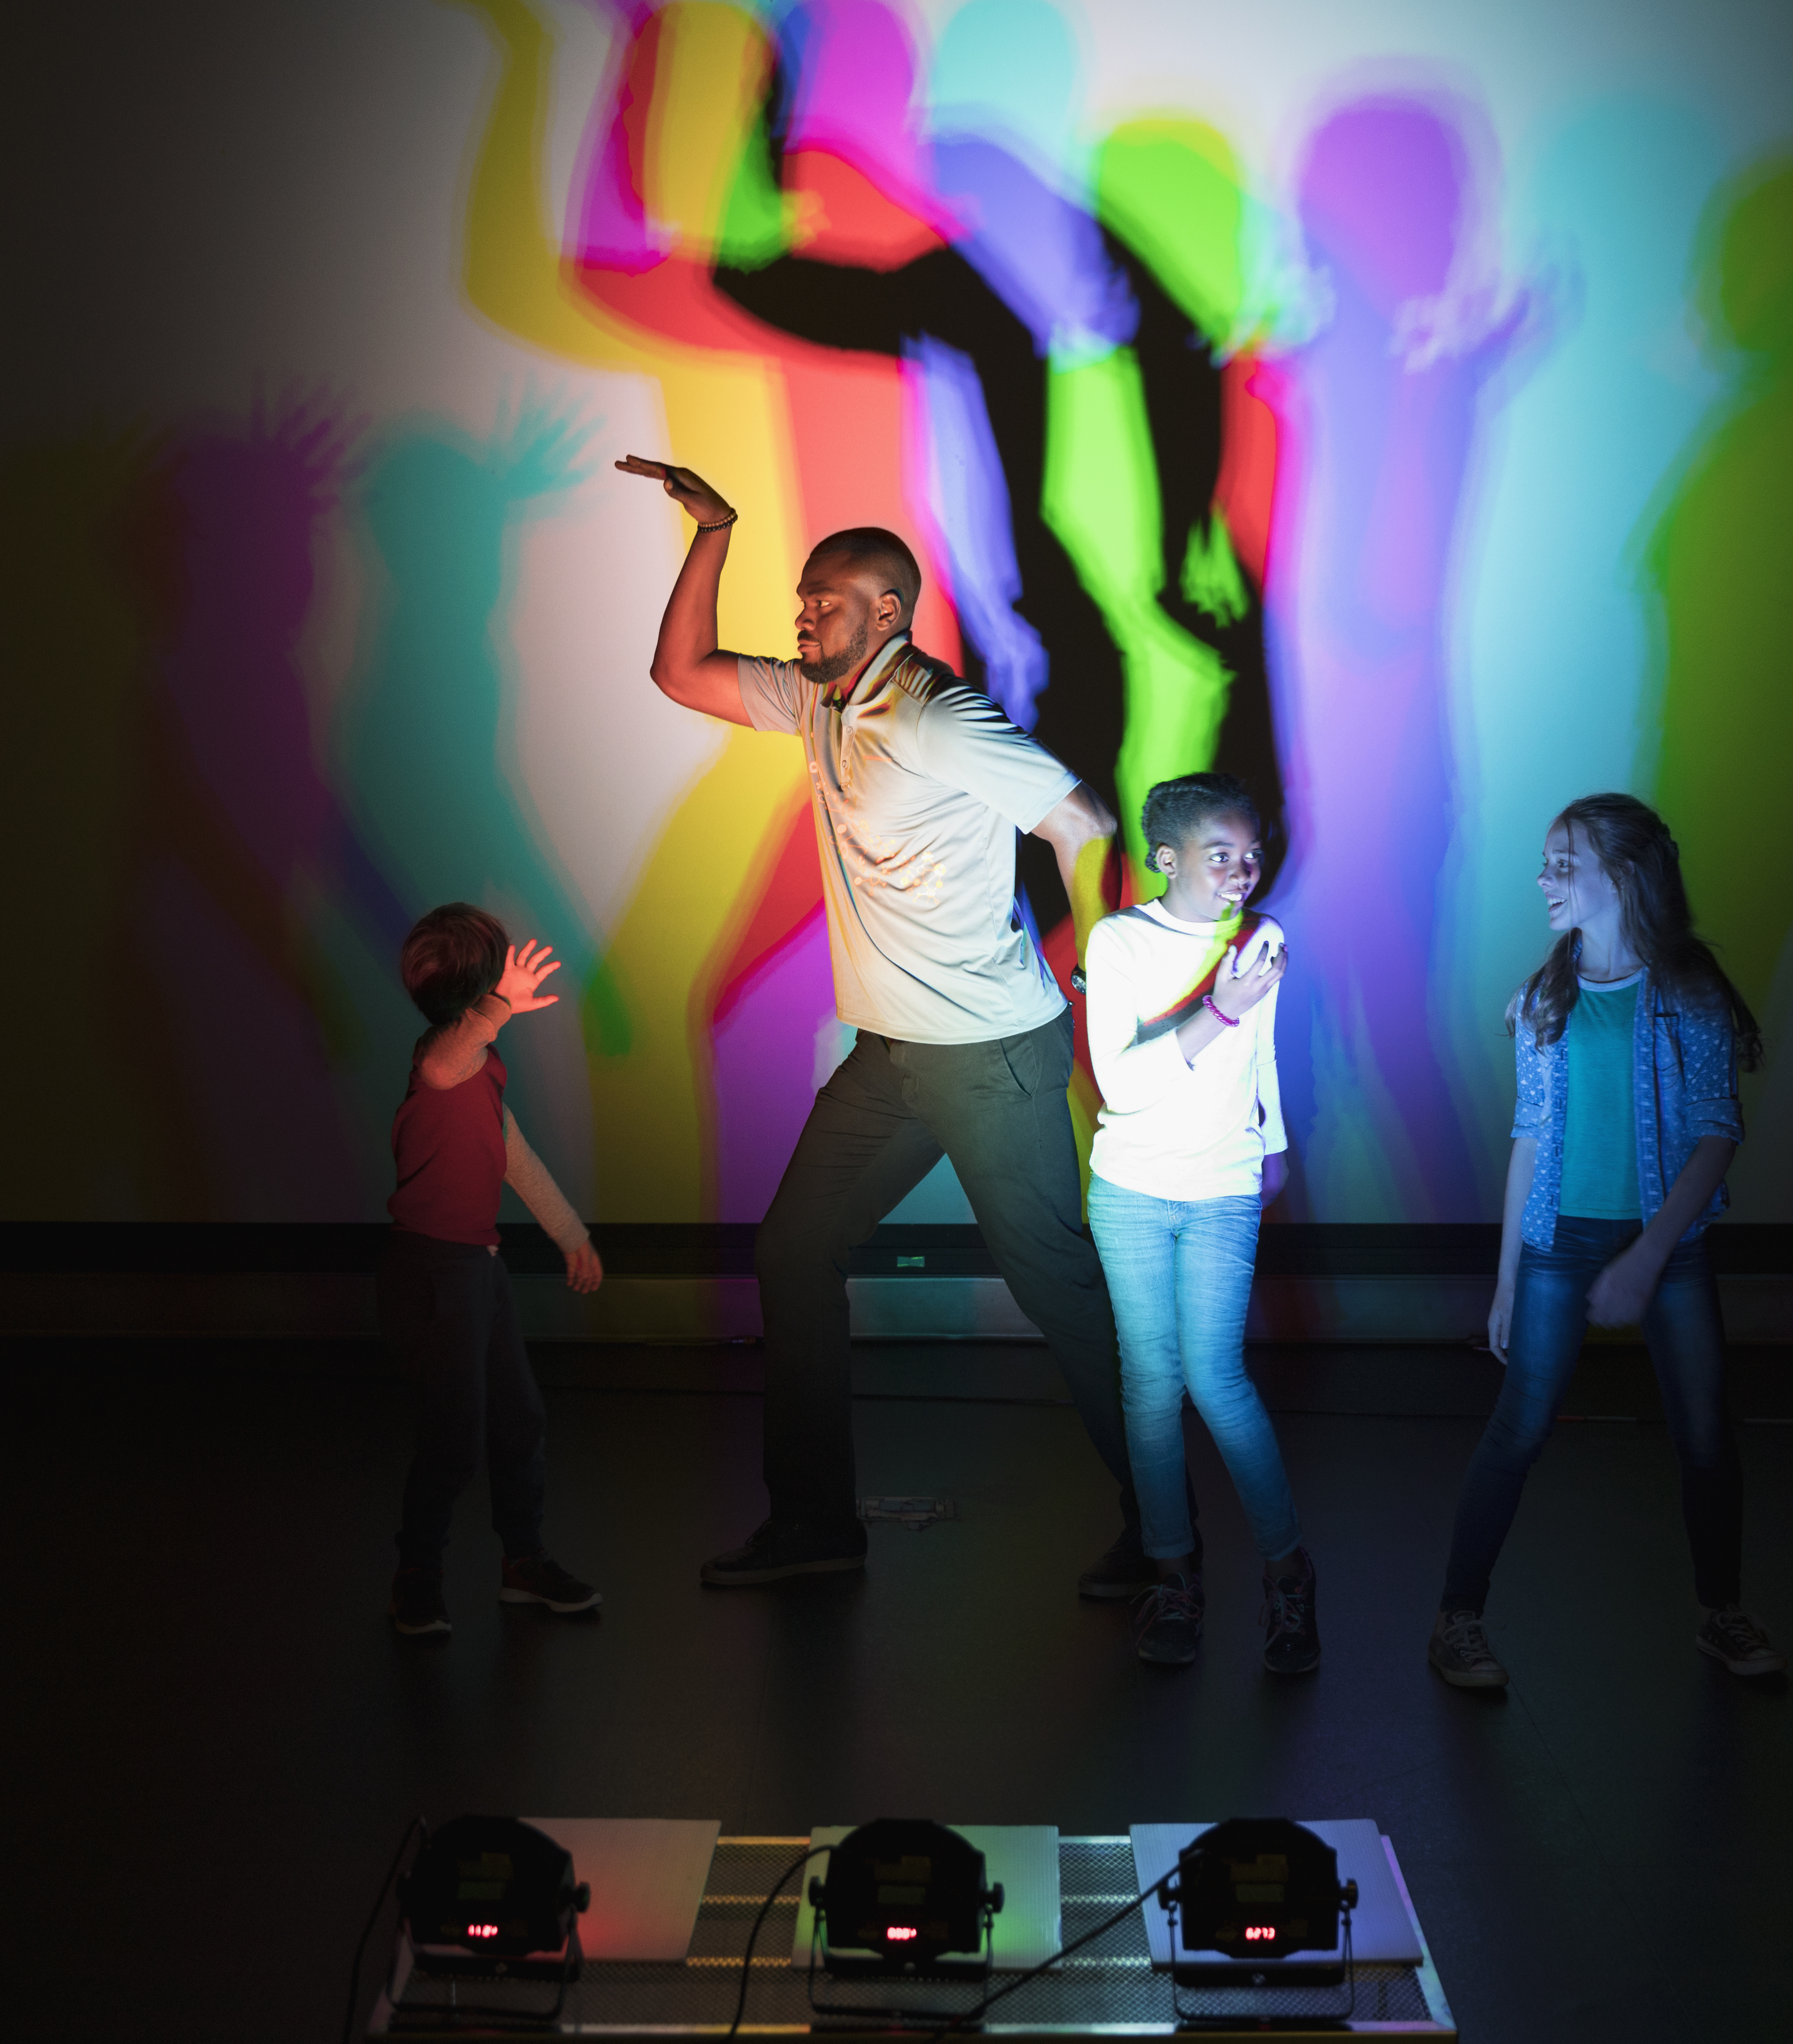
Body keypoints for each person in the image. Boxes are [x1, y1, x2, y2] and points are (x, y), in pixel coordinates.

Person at [614, 453, 1149, 1594]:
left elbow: (1087, 825)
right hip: (892, 1058)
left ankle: (1167, 1535)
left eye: (826, 602)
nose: (803, 616)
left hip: (992, 1059)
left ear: (888, 611)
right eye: (802, 600)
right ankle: (815, 1523)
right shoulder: (817, 698)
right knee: (794, 1249)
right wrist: (715, 531)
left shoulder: (936, 715)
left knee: (1056, 1288)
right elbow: (680, 672)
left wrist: (1103, 978)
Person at [1428, 794, 1786, 1688]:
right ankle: (1456, 1622)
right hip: (1557, 1245)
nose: (1542, 880)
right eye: (1545, 863)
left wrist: (1648, 1257)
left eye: (1564, 864)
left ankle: (1721, 1614)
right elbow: (1529, 1138)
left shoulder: (1688, 992)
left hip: (1668, 1249)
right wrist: (1507, 1280)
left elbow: (1717, 1129)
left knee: (1704, 1434)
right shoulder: (1542, 998)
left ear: (1624, 874)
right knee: (1517, 1430)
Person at [1082, 773, 1320, 1675]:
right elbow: (1122, 1085)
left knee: (1216, 1380)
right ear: (1167, 859)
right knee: (1150, 1388)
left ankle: (1288, 1574)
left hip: (1222, 1186)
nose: (1242, 871)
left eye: (1250, 855)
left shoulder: (1263, 936)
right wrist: (1222, 1007)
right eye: (1220, 855)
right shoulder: (1119, 941)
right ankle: (1173, 1578)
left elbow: (1262, 1055)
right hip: (1132, 1189)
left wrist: (1274, 1147)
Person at [381, 904, 607, 1639]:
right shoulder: (439, 1062)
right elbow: (446, 1061)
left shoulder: (479, 1070)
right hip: (433, 1273)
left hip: (479, 1270)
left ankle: (523, 1561)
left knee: (518, 1421)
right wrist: (501, 1005)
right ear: (479, 993)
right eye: (497, 978)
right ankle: (417, 1575)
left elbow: (512, 1156)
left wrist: (570, 1234)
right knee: (453, 1439)